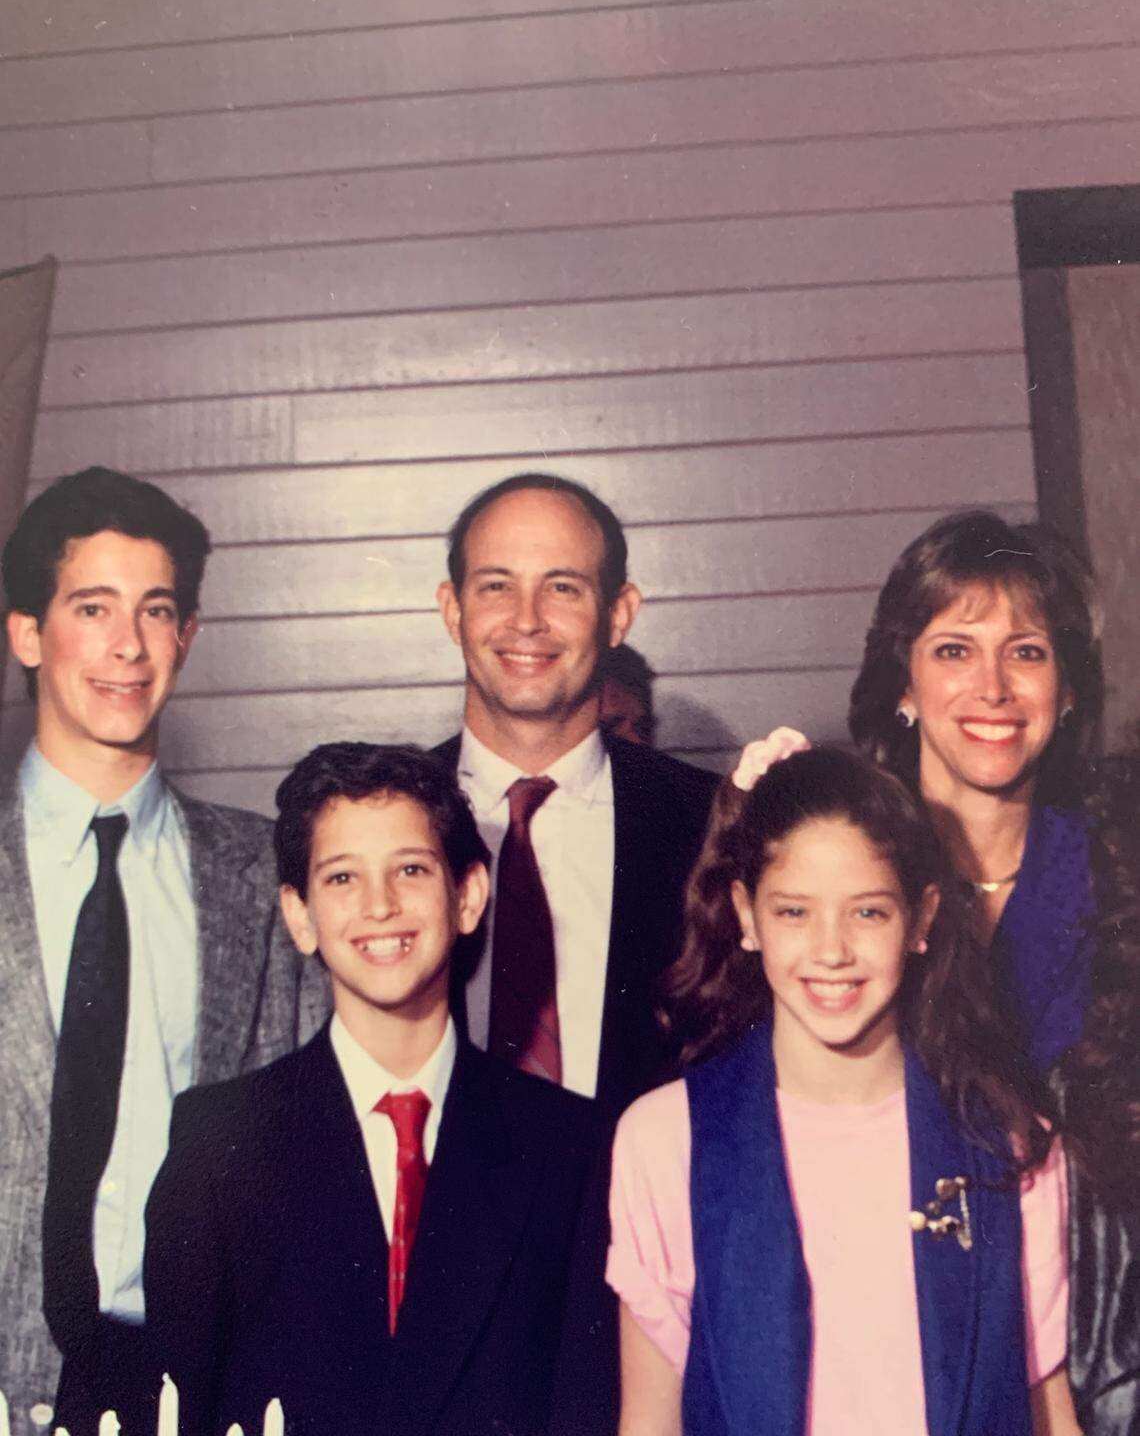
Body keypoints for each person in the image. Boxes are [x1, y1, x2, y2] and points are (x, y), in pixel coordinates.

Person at [607, 747, 1077, 1436]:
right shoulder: (665, 1139)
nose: (831, 951)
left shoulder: (1008, 1141)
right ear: (745, 915)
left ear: (921, 921)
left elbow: (1048, 1409)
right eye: (794, 912)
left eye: (868, 914)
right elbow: (649, 1420)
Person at [144, 743, 602, 1436]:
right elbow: (180, 1403)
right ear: (299, 917)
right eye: (341, 879)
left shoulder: (568, 1145)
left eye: (411, 869)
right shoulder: (219, 1143)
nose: (380, 906)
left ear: (468, 895)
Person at [0, 467, 317, 1436]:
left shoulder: (261, 869)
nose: (127, 645)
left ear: (186, 635)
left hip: (194, 1383)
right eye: (92, 607)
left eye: (156, 610)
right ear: (25, 630)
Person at [846, 509, 1140, 1433]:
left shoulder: (1121, 874)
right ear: (903, 680)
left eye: (1026, 652)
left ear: (1066, 688)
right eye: (953, 650)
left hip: (1108, 1345)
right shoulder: (843, 873)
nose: (994, 688)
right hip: (899, 1330)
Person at [434, 473, 718, 1114]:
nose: (527, 620)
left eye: (562, 587)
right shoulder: (389, 817)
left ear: (619, 614)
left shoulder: (710, 822)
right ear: (453, 610)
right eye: (496, 586)